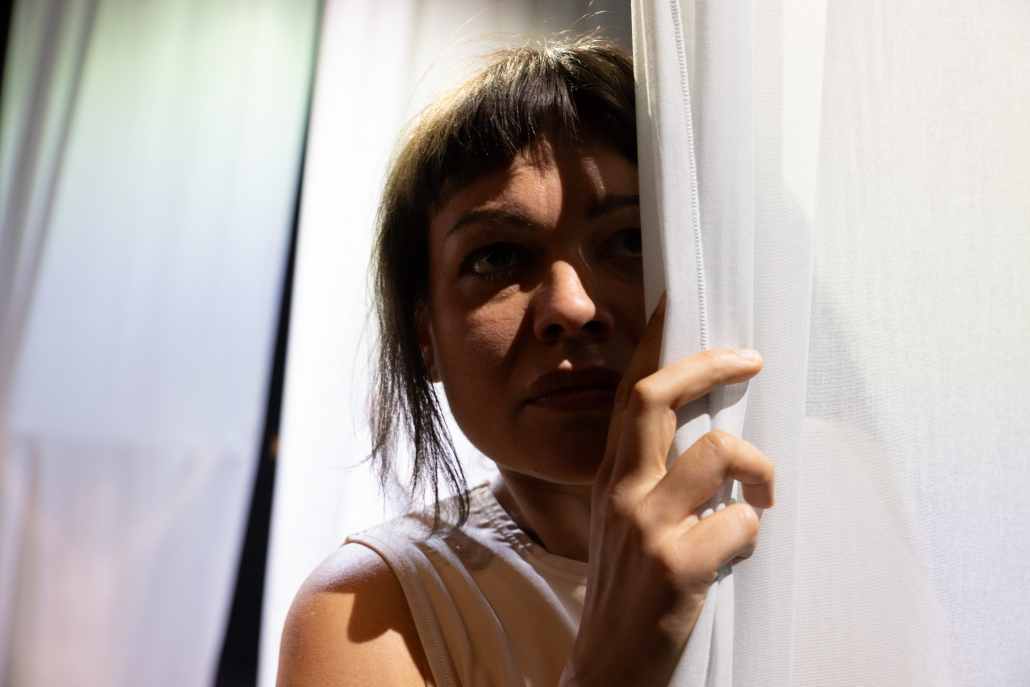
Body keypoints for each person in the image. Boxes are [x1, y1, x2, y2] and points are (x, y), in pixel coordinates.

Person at [277, 38, 774, 687]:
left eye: (632, 241)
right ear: (425, 335)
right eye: (496, 257)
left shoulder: (826, 516)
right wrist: (618, 658)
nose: (571, 306)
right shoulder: (368, 612)